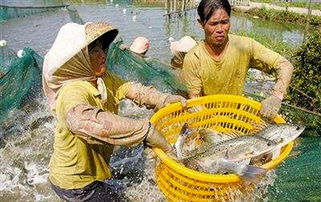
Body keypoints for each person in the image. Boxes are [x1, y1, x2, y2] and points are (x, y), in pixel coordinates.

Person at [42, 22, 186, 201]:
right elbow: (81, 120)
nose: (103, 54)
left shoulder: (101, 79)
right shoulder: (72, 91)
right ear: (79, 59)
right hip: (76, 185)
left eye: (103, 48)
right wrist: (146, 131)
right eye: (95, 50)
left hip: (92, 174)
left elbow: (130, 88)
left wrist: (162, 99)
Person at [181, 0, 293, 119]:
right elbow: (196, 102)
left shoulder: (244, 46)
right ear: (201, 24)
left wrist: (277, 96)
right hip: (207, 116)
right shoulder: (194, 58)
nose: (220, 29)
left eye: (225, 22)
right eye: (213, 24)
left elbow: (285, 65)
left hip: (237, 114)